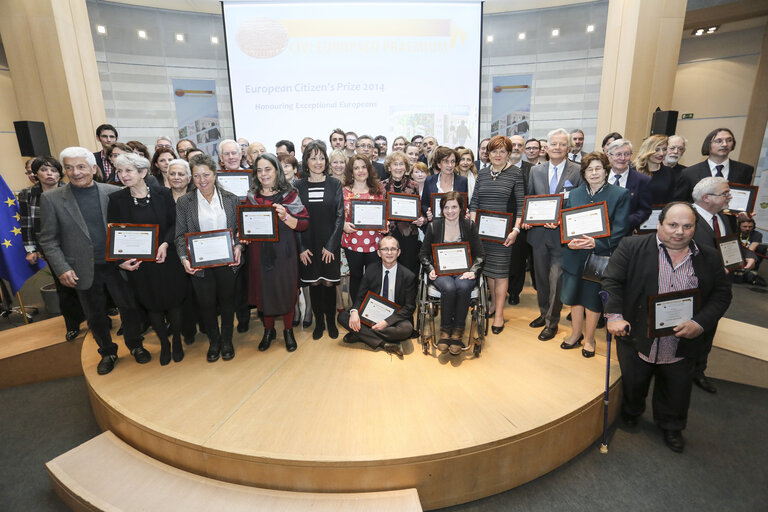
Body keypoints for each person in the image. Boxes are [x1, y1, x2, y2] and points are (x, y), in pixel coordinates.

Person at [603, 202, 732, 453]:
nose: (679, 232)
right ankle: (632, 412)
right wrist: (615, 316)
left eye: (687, 226)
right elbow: (612, 281)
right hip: (638, 334)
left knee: (677, 388)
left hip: (684, 339)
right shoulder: (632, 247)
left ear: (695, 227)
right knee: (634, 381)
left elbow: (722, 295)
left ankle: (671, 426)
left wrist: (700, 323)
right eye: (673, 225)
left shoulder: (710, 256)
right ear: (659, 224)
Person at [39, 147, 150, 375]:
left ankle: (135, 345)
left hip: (117, 265)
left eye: (81, 166)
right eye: (69, 167)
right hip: (81, 269)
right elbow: (48, 240)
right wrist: (62, 269)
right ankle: (107, 352)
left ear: (93, 168)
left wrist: (129, 255)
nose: (75, 172)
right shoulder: (51, 199)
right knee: (95, 316)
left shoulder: (113, 192)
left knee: (129, 308)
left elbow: (128, 229)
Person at [108, 153, 187, 365]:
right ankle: (164, 343)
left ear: (143, 172)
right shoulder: (116, 200)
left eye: (128, 171)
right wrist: (120, 261)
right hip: (140, 264)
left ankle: (177, 340)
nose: (123, 175)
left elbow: (174, 224)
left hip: (166, 259)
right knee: (152, 305)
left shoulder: (164, 193)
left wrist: (165, 243)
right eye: (120, 171)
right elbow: (115, 233)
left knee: (174, 302)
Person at [690, 177, 756, 394]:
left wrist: (746, 255)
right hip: (694, 286)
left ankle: (698, 370)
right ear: (707, 198)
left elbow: (731, 243)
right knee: (688, 329)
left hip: (719, 288)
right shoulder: (686, 218)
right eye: (725, 193)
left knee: (709, 328)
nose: (730, 196)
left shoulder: (724, 219)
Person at [175, 153, 243, 362]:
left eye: (206, 174)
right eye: (196, 176)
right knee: (206, 305)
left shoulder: (231, 199)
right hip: (200, 265)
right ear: (191, 178)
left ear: (215, 174)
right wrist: (184, 258)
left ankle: (227, 340)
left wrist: (239, 246)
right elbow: (179, 235)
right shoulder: (185, 202)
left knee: (227, 303)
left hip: (227, 262)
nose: (202, 180)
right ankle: (214, 341)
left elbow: (240, 230)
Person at [560, 152, 630, 356]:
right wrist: (568, 242)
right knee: (574, 297)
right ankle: (575, 334)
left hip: (599, 256)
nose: (594, 173)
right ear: (584, 173)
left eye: (598, 168)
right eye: (589, 169)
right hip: (575, 254)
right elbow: (566, 225)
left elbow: (620, 228)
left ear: (606, 171)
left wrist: (596, 243)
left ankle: (589, 339)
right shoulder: (575, 194)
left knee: (591, 299)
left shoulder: (620, 194)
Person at [524, 129, 583, 341]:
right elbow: (530, 198)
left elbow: (580, 203)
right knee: (540, 279)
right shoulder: (535, 171)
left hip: (562, 235)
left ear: (568, 148)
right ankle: (543, 313)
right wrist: (528, 220)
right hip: (538, 235)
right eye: (553, 144)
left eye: (562, 144)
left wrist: (561, 219)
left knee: (556, 279)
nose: (557, 147)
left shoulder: (577, 171)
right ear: (546, 148)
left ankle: (552, 321)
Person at [247, 153, 309, 352]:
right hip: (259, 253)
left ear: (277, 170)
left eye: (268, 169)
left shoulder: (289, 195)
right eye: (259, 170)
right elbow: (244, 224)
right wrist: (244, 234)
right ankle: (268, 330)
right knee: (264, 291)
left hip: (285, 252)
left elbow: (304, 223)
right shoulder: (251, 197)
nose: (264, 174)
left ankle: (288, 330)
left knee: (285, 289)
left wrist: (286, 216)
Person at [18, 156, 84, 342]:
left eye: (54, 170)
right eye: (44, 170)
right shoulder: (27, 195)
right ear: (35, 174)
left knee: (86, 281)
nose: (49, 174)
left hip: (74, 243)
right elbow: (27, 223)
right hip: (49, 246)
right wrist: (31, 249)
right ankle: (72, 324)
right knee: (64, 285)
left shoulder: (70, 190)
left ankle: (96, 317)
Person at [468, 135, 524, 333]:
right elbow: (474, 201)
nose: (497, 155)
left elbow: (521, 205)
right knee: (488, 271)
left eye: (502, 151)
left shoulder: (516, 173)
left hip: (504, 234)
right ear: (488, 153)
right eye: (494, 151)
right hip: (482, 232)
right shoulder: (482, 174)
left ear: (508, 153)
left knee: (500, 274)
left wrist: (516, 230)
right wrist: (473, 228)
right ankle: (492, 305)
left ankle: (499, 314)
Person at [420, 192, 485, 354]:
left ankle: (458, 332)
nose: (450, 211)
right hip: (442, 272)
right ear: (442, 209)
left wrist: (474, 271)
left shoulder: (469, 226)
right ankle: (445, 330)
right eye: (446, 207)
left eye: (454, 207)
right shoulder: (434, 227)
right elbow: (423, 254)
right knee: (449, 288)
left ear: (461, 208)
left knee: (462, 287)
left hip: (465, 271)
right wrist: (430, 269)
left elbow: (480, 255)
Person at [338, 236, 417, 358]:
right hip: (371, 312)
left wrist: (386, 322)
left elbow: (409, 307)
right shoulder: (370, 270)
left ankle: (361, 334)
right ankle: (385, 344)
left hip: (394, 316)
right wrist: (354, 311)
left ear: (399, 252)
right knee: (343, 316)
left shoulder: (409, 276)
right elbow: (360, 296)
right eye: (385, 249)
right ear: (379, 253)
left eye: (393, 249)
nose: (389, 253)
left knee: (406, 329)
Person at [296, 141, 344, 340]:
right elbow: (295, 218)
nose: (318, 162)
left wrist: (331, 245)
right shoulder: (297, 185)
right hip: (308, 246)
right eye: (313, 158)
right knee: (314, 285)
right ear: (306, 161)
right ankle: (319, 323)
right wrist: (301, 248)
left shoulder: (335, 184)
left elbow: (340, 216)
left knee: (328, 284)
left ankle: (331, 323)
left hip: (329, 246)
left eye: (321, 158)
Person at [341, 155, 386, 304]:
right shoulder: (343, 191)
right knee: (356, 277)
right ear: (351, 171)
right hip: (352, 242)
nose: (360, 171)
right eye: (356, 168)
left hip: (374, 242)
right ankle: (356, 310)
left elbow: (384, 214)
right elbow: (336, 214)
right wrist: (343, 225)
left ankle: (371, 311)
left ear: (369, 169)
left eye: (364, 167)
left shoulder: (378, 190)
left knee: (373, 278)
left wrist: (385, 225)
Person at [166, 158, 200, 345]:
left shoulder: (198, 196)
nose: (176, 177)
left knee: (197, 292)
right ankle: (187, 330)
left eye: (181, 174)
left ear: (189, 178)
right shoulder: (161, 197)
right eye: (173, 174)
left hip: (198, 251)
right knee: (178, 293)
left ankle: (200, 323)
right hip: (171, 254)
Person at [675, 128, 755, 202]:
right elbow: (681, 202)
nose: (725, 144)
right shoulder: (689, 173)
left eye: (729, 140)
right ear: (708, 144)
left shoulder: (745, 170)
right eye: (719, 141)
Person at [381, 151, 425, 276]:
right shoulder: (381, 186)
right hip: (389, 234)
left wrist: (421, 219)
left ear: (406, 167)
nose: (398, 167)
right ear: (389, 167)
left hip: (409, 234)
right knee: (389, 271)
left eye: (401, 164)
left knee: (409, 271)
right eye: (395, 164)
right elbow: (380, 210)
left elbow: (419, 210)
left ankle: (409, 296)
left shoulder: (414, 185)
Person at [606, 139, 652, 232]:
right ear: (609, 156)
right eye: (618, 154)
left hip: (626, 233)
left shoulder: (642, 180)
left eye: (627, 154)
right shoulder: (600, 177)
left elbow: (644, 210)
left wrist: (624, 222)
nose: (622, 158)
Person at [421, 146, 468, 218]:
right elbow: (424, 204)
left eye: (452, 161)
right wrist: (428, 211)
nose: (450, 165)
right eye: (446, 161)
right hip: (435, 225)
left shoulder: (462, 181)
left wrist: (466, 212)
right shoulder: (429, 180)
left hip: (455, 224)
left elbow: (465, 205)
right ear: (439, 164)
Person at [633, 135, 678, 205]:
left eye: (664, 149)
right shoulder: (633, 171)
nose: (661, 153)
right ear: (647, 150)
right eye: (657, 150)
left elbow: (670, 200)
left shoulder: (670, 173)